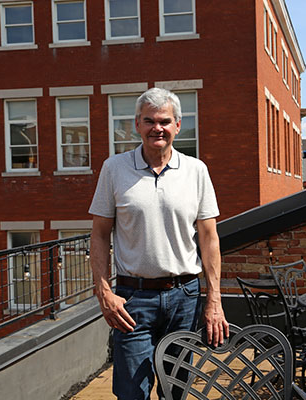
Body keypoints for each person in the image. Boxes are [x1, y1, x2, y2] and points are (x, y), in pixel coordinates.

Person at [88, 87, 229, 399]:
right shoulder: (114, 168)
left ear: (178, 125)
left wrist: (214, 300)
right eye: (149, 120)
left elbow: (209, 238)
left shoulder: (196, 171)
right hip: (132, 301)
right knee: (131, 393)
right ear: (137, 124)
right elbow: (98, 234)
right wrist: (103, 292)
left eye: (165, 121)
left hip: (185, 298)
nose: (158, 128)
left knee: (176, 391)